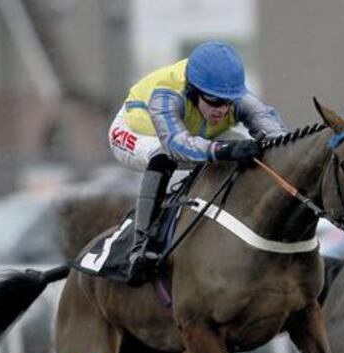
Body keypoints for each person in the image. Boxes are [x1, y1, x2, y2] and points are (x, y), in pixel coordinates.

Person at [108, 41, 289, 285]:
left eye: (228, 102)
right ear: (193, 90)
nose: (223, 110)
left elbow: (279, 138)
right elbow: (177, 145)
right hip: (140, 133)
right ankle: (140, 248)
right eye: (214, 101)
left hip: (193, 133)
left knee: (245, 147)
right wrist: (224, 150)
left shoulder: (232, 95)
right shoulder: (167, 92)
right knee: (162, 156)